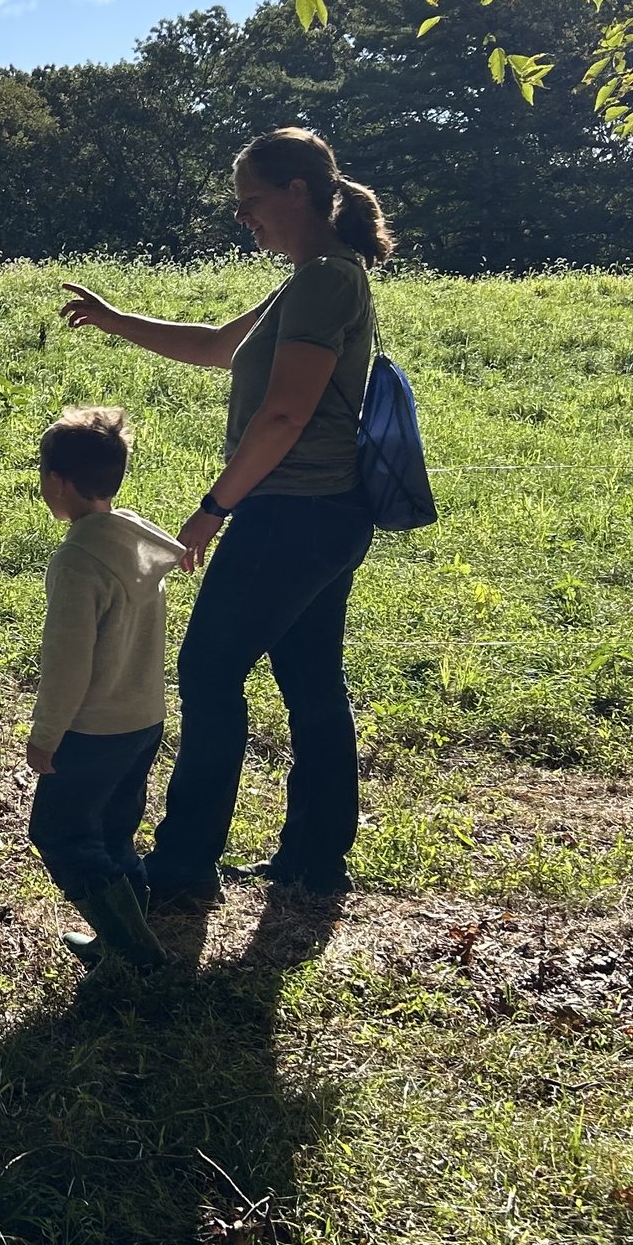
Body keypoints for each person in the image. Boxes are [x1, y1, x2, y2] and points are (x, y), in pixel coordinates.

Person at [59, 126, 390, 907]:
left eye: (251, 202)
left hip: (294, 515)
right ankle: (313, 859)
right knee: (310, 681)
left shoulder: (324, 281)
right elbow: (215, 346)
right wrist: (114, 319)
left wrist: (211, 511)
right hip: (320, 516)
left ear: (297, 193)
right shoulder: (312, 278)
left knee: (209, 672)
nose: (245, 218)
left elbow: (282, 415)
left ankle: (182, 864)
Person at [26, 406, 187, 971]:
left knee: (61, 833)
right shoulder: (135, 539)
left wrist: (45, 736)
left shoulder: (76, 562)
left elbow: (68, 663)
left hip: (93, 729)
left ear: (56, 482)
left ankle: (132, 951)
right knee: (115, 829)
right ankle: (125, 929)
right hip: (143, 718)